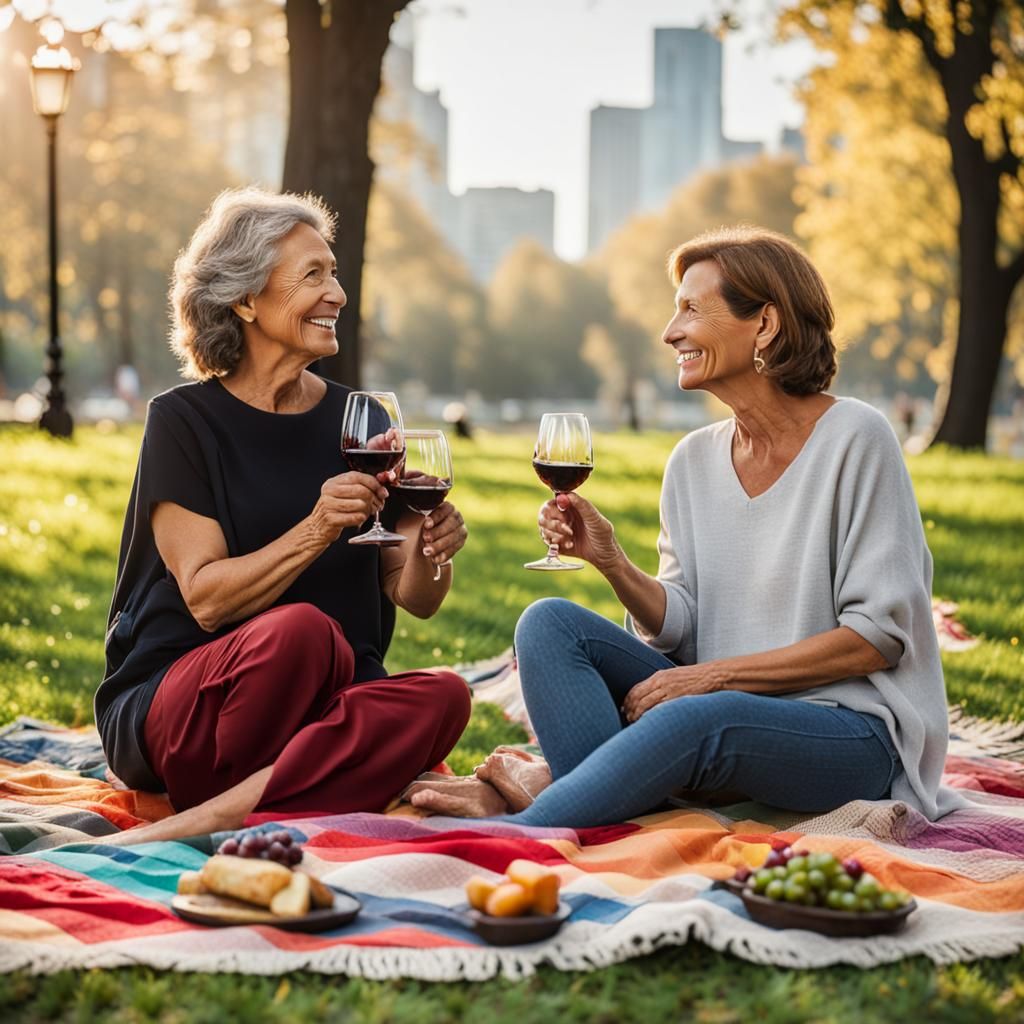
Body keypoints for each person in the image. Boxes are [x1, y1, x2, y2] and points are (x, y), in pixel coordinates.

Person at [407, 225, 959, 828]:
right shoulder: (693, 460)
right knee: (548, 623)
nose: (671, 332)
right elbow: (683, 626)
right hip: (716, 711)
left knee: (693, 717)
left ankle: (523, 832)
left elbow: (876, 637)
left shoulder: (857, 438)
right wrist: (613, 563)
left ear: (765, 326)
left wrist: (713, 679)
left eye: (692, 310)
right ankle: (598, 796)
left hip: (849, 733)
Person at [95, 187, 471, 844]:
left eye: (335, 273)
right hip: (185, 703)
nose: (339, 294)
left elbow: (415, 597)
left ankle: (238, 807)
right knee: (302, 632)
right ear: (244, 299)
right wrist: (318, 527)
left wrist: (433, 551)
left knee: (444, 696)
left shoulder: (361, 420)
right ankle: (323, 782)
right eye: (313, 275)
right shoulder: (184, 423)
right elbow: (207, 601)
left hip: (325, 708)